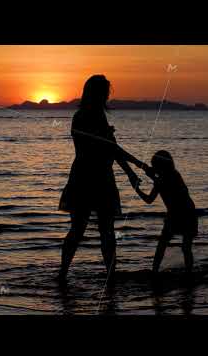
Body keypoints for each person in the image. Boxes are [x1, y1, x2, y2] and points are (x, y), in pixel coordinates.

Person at [58, 74, 148, 283]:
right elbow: (110, 147)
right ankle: (64, 274)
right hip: (87, 178)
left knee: (103, 230)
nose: (107, 95)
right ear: (95, 93)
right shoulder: (82, 117)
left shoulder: (97, 115)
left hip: (99, 178)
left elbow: (111, 148)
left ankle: (108, 276)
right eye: (105, 92)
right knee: (82, 230)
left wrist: (133, 170)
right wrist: (134, 167)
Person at [135, 150, 198, 274]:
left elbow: (149, 198)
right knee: (179, 246)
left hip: (184, 213)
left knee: (174, 246)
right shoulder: (171, 175)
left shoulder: (168, 177)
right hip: (183, 213)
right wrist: (147, 174)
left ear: (161, 166)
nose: (153, 168)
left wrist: (137, 188)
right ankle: (185, 272)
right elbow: (151, 196)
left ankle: (157, 272)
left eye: (155, 165)